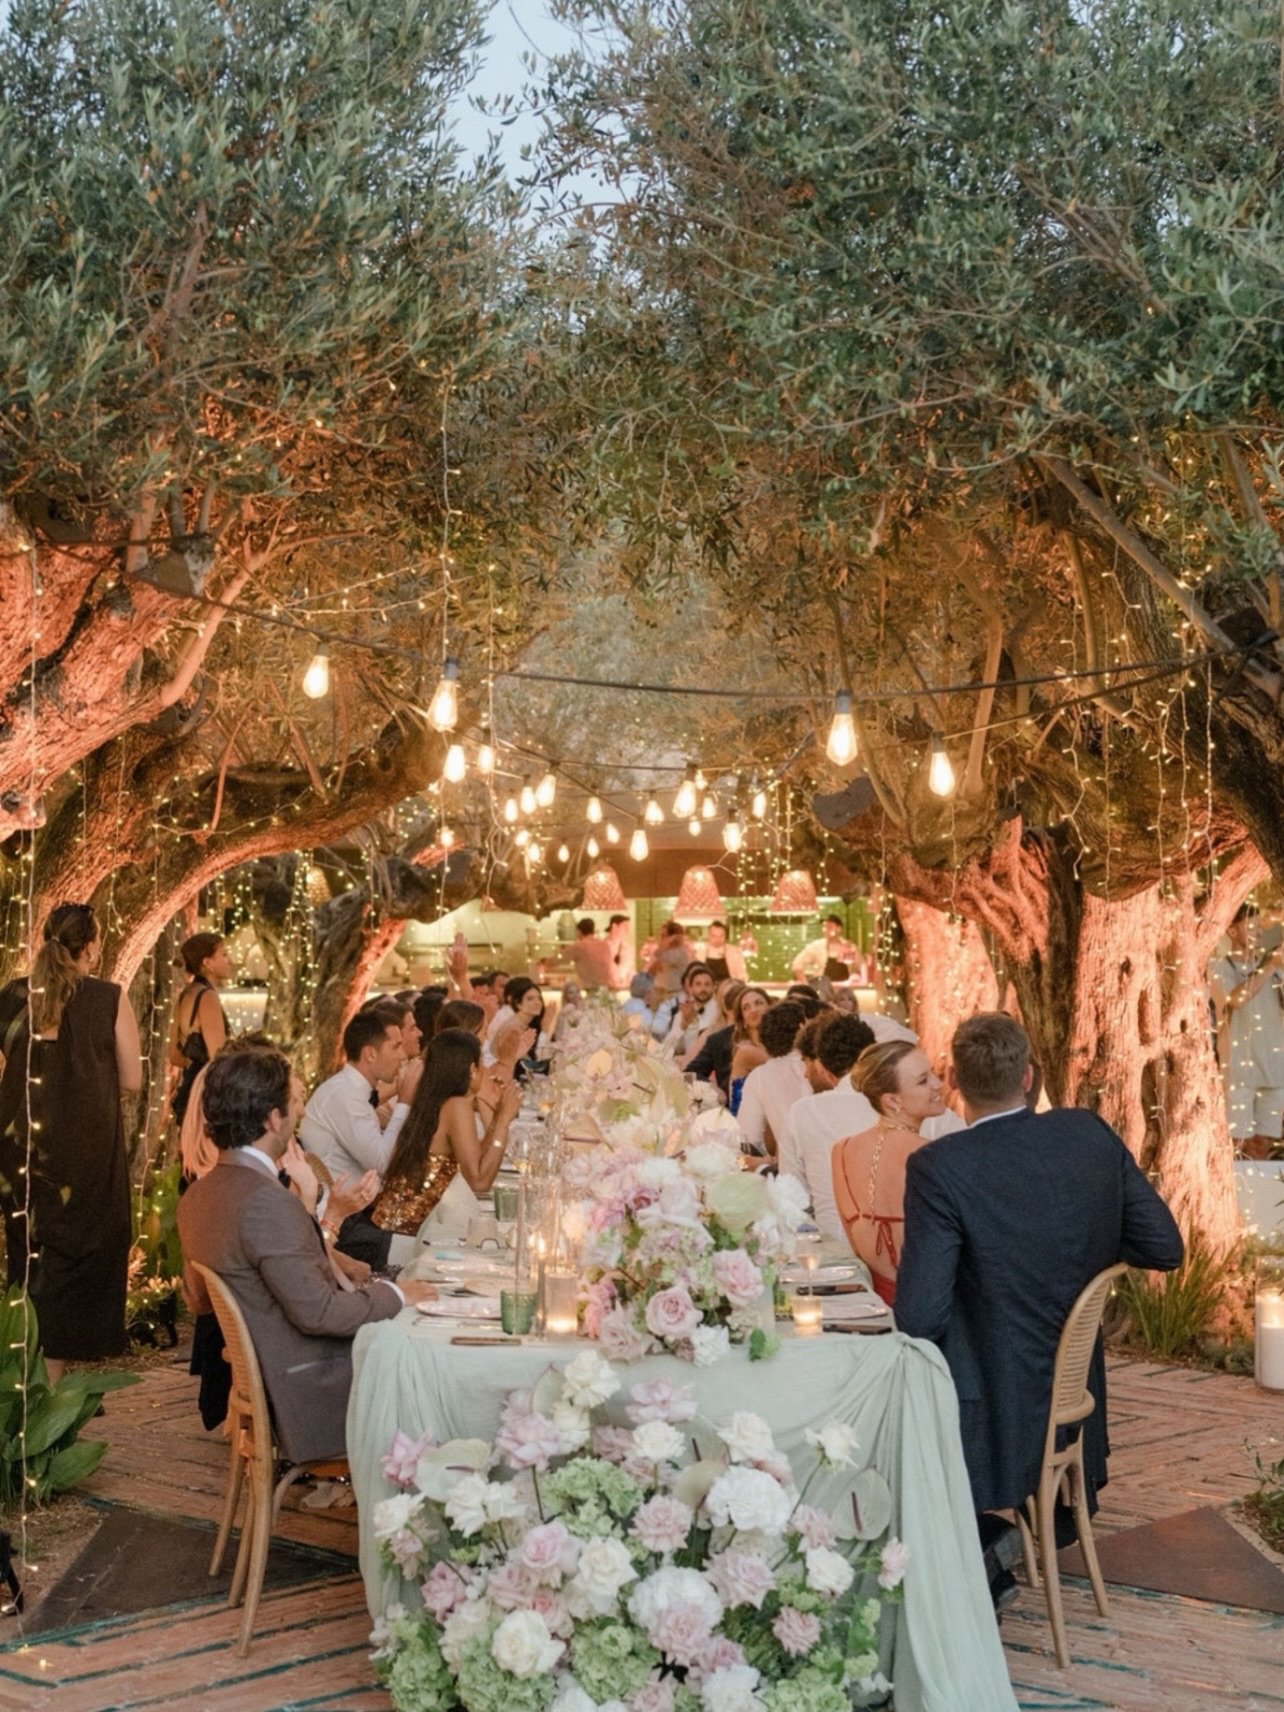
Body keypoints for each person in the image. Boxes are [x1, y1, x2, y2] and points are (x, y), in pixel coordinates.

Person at [895, 1013, 1184, 1604]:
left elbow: (919, 1318)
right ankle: (998, 1541)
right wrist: (1080, 1255)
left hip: (990, 1408)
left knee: (885, 1407)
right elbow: (1164, 1247)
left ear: (955, 1081)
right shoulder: (1087, 1134)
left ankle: (970, 1551)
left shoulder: (940, 1166)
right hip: (1072, 1398)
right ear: (1027, 1076)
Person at [178, 1044, 433, 1462]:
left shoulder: (199, 1195)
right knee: (436, 1366)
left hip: (270, 1378)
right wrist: (400, 1295)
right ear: (273, 1118)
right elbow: (320, 1314)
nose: (297, 1117)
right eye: (291, 1108)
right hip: (312, 1391)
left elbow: (198, 1299)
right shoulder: (265, 1200)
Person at [0, 902, 142, 1381]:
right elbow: (133, 1080)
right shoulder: (108, 998)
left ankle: (36, 1374)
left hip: (22, 1147)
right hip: (87, 1146)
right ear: (91, 945)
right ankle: (52, 1384)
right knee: (81, 1252)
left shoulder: (13, 995)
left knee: (31, 1252)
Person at [370, 1029, 523, 1236]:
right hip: (405, 1239)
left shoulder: (434, 1100)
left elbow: (476, 1159)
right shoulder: (456, 1106)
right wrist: (504, 1122)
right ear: (472, 1069)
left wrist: (496, 1118)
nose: (486, 1070)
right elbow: (478, 1182)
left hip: (392, 1228)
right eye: (482, 1064)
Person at [830, 1041, 948, 1304]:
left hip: (872, 1310)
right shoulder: (933, 1156)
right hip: (930, 1312)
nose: (938, 1084)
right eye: (923, 1080)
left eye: (932, 1073)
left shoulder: (842, 1151)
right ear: (892, 1100)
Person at [297, 1005, 414, 1181]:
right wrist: (404, 1101)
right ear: (370, 1054)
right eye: (396, 1047)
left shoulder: (354, 1090)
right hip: (341, 1206)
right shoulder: (344, 1094)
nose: (403, 1055)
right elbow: (383, 1163)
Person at [1208, 906, 1284, 1159]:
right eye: (1251, 926)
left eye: (1259, 927)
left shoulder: (1274, 969)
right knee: (1237, 1146)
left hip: (1274, 1072)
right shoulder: (1218, 966)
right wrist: (1271, 964)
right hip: (1239, 1072)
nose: (1259, 932)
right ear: (1232, 930)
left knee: (1264, 1146)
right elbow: (1236, 998)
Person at [168, 932, 231, 1127]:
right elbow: (218, 1057)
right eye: (224, 955)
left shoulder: (187, 994)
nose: (231, 961)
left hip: (189, 1087)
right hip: (207, 1094)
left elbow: (175, 1056)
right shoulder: (207, 997)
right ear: (207, 963)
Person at [736, 1000, 810, 1156]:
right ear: (802, 1028)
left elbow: (748, 1140)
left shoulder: (760, 1077)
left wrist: (769, 1163)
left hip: (788, 1172)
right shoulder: (823, 1067)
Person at [685, 979, 746, 1095]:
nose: (735, 1003)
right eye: (728, 998)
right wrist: (712, 1088)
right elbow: (690, 1071)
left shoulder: (765, 1034)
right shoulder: (715, 1037)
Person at [657, 962, 719, 1057]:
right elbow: (666, 1048)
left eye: (707, 984)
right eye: (698, 984)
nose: (703, 989)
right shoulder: (683, 1012)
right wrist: (682, 1026)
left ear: (714, 987)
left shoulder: (720, 1012)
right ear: (690, 988)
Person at [728, 986, 770, 1115]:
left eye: (758, 1003)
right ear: (743, 1019)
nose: (753, 1010)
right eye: (746, 1008)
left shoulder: (770, 1044)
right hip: (746, 1119)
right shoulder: (746, 1051)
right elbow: (784, 1068)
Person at [791, 914, 853, 984]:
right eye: (824, 927)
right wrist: (805, 983)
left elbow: (861, 968)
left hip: (845, 990)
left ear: (839, 929)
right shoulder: (817, 946)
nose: (825, 930)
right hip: (823, 989)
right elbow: (796, 964)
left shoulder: (849, 947)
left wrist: (855, 977)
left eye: (829, 927)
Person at [648, 920, 693, 1003]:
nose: (660, 938)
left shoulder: (680, 952)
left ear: (673, 937)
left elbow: (657, 953)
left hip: (674, 996)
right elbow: (649, 972)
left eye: (663, 936)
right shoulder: (665, 953)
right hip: (660, 995)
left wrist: (664, 944)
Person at [568, 919, 616, 991]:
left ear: (579, 931)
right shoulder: (604, 945)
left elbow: (559, 959)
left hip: (589, 989)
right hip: (605, 989)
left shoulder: (580, 946)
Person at [606, 914, 634, 991]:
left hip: (622, 988)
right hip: (605, 987)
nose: (627, 931)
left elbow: (630, 970)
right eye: (625, 927)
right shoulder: (601, 946)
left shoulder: (628, 949)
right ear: (614, 926)